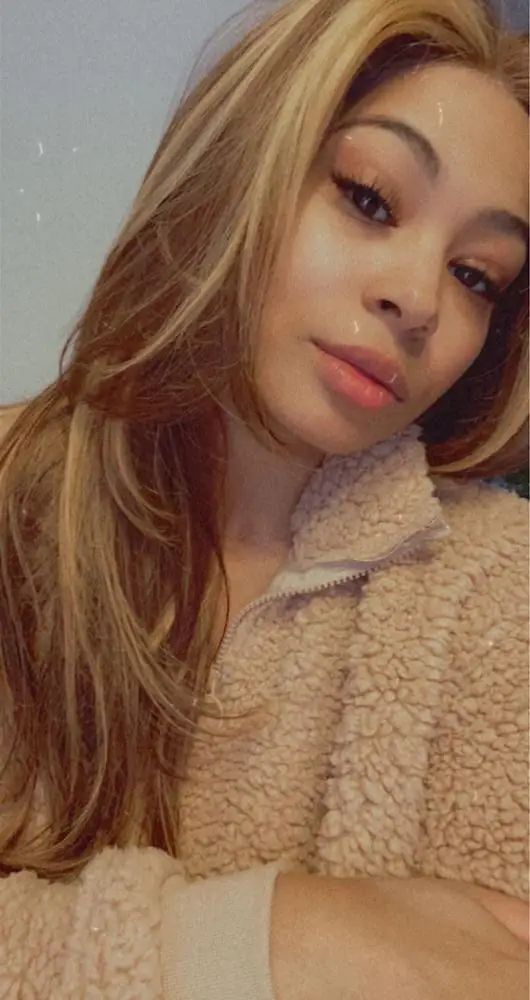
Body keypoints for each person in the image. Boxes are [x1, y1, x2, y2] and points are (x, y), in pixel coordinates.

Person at [0, 0, 528, 996]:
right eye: (369, 197)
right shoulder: (13, 493)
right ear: (239, 166)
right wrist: (268, 941)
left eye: (476, 275)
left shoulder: (497, 594)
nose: (419, 298)